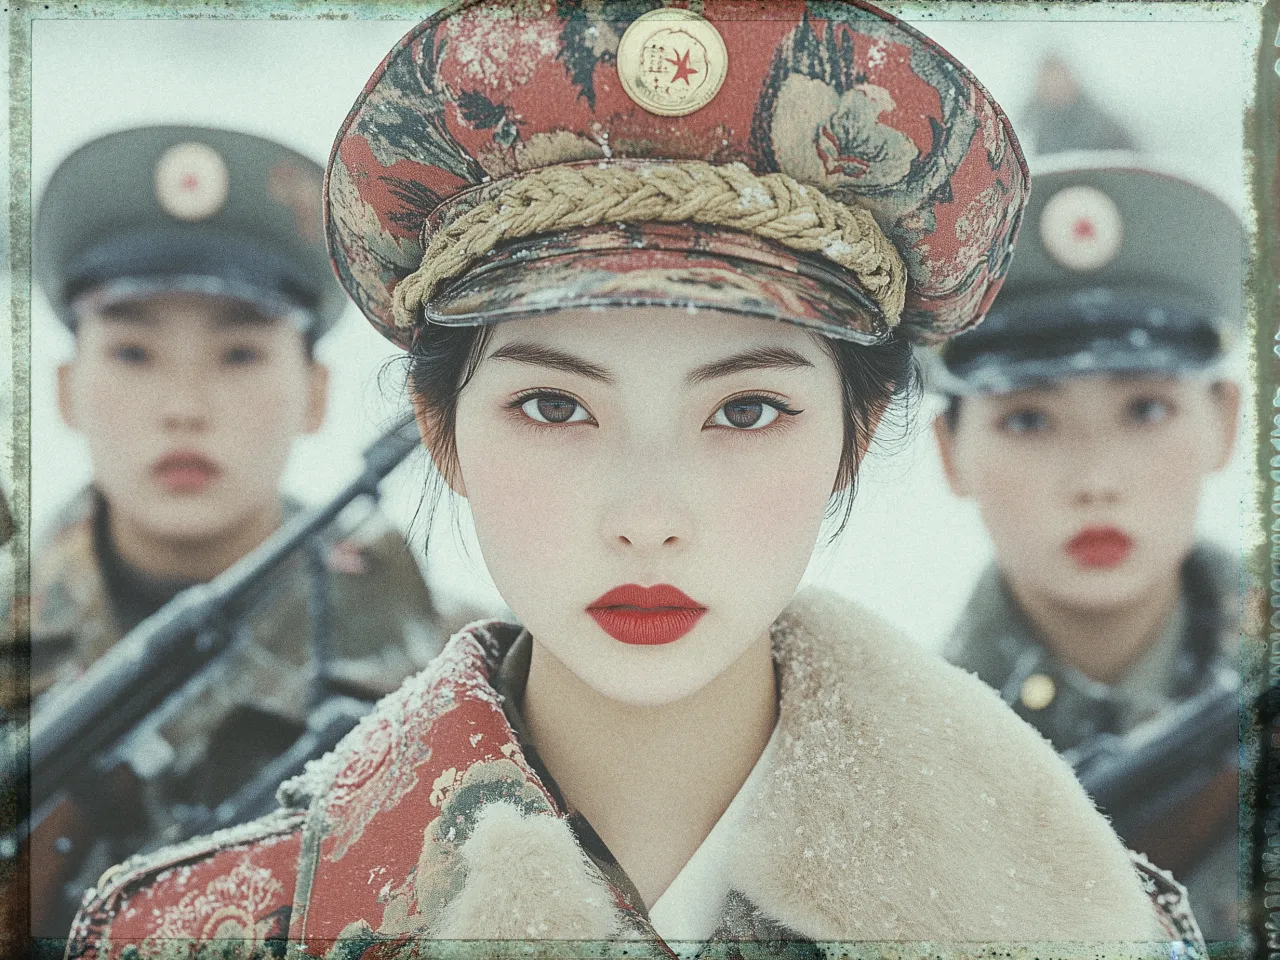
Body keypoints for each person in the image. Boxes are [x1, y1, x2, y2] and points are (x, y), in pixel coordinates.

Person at [67, 6, 1203, 956]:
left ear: (855, 437)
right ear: (440, 429)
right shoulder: (204, 935)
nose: (647, 519)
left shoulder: (1083, 929)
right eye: (554, 406)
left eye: (746, 410)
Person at [20, 125, 473, 937]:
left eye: (238, 354)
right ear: (65, 389)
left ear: (314, 393)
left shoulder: (455, 675)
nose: (184, 406)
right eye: (132, 352)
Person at [930, 159, 1244, 941]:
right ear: (949, 451)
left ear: (1225, 422)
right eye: (1029, 420)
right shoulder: (906, 758)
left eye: (1145, 407)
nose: (1096, 480)